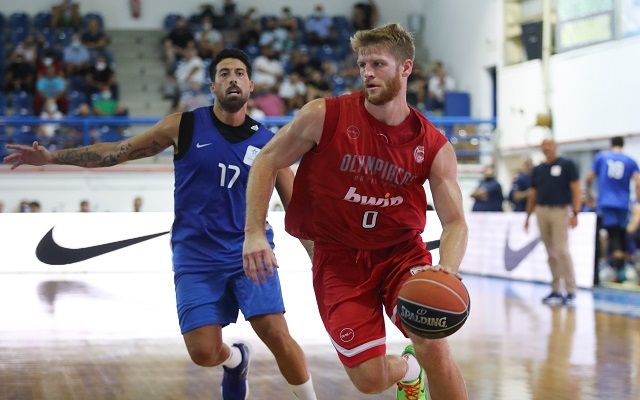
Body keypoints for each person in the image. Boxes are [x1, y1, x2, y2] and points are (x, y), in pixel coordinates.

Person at [4, 49, 317, 400]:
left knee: (275, 333)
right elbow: (118, 151)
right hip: (196, 257)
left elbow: (297, 208)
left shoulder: (269, 142)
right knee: (203, 352)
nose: (233, 79)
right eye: (224, 73)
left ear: (251, 85)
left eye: (240, 73)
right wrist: (52, 157)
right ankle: (235, 360)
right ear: (212, 86)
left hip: (249, 253)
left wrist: (316, 259)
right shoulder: (183, 126)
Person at [243, 23, 468, 400]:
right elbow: (267, 160)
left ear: (406, 68)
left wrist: (448, 267)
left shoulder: (433, 144)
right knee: (369, 379)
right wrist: (253, 232)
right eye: (363, 64)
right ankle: (408, 370)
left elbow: (456, 222)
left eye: (378, 64)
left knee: (434, 344)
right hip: (339, 259)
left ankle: (423, 359)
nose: (367, 73)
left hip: (401, 254)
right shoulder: (323, 115)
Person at [524, 138, 581, 305]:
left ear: (556, 147)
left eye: (550, 145)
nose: (547, 148)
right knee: (550, 253)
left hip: (560, 211)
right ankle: (556, 290)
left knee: (562, 250)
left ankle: (570, 290)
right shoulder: (538, 169)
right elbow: (533, 194)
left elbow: (576, 189)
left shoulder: (567, 164)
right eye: (544, 146)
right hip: (541, 211)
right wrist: (527, 216)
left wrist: (575, 213)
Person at [585, 136, 640, 283]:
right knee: (621, 234)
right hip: (623, 203)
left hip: (607, 202)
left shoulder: (602, 157)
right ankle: (621, 270)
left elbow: (589, 177)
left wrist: (589, 193)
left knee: (613, 235)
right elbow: (638, 182)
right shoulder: (630, 160)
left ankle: (618, 271)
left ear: (611, 145)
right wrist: (638, 200)